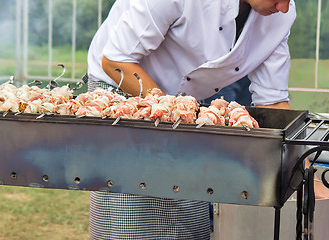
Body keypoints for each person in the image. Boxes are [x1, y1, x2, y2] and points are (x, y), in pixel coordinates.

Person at [86, 0, 295, 239]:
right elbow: (116, 61)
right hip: (124, 88)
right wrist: (170, 111)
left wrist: (303, 173)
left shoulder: (280, 15)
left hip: (181, 103)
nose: (284, 8)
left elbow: (273, 101)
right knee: (133, 206)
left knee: (188, 196)